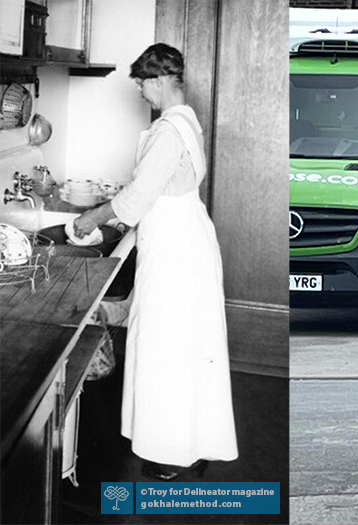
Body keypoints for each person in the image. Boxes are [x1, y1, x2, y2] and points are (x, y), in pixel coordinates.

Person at [73, 43, 238, 481]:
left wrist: (92, 217)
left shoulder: (168, 130)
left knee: (168, 347)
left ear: (161, 78)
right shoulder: (186, 124)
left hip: (176, 250)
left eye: (144, 83)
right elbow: (152, 195)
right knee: (184, 345)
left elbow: (139, 197)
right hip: (180, 241)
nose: (143, 93)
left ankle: (171, 452)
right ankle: (188, 445)